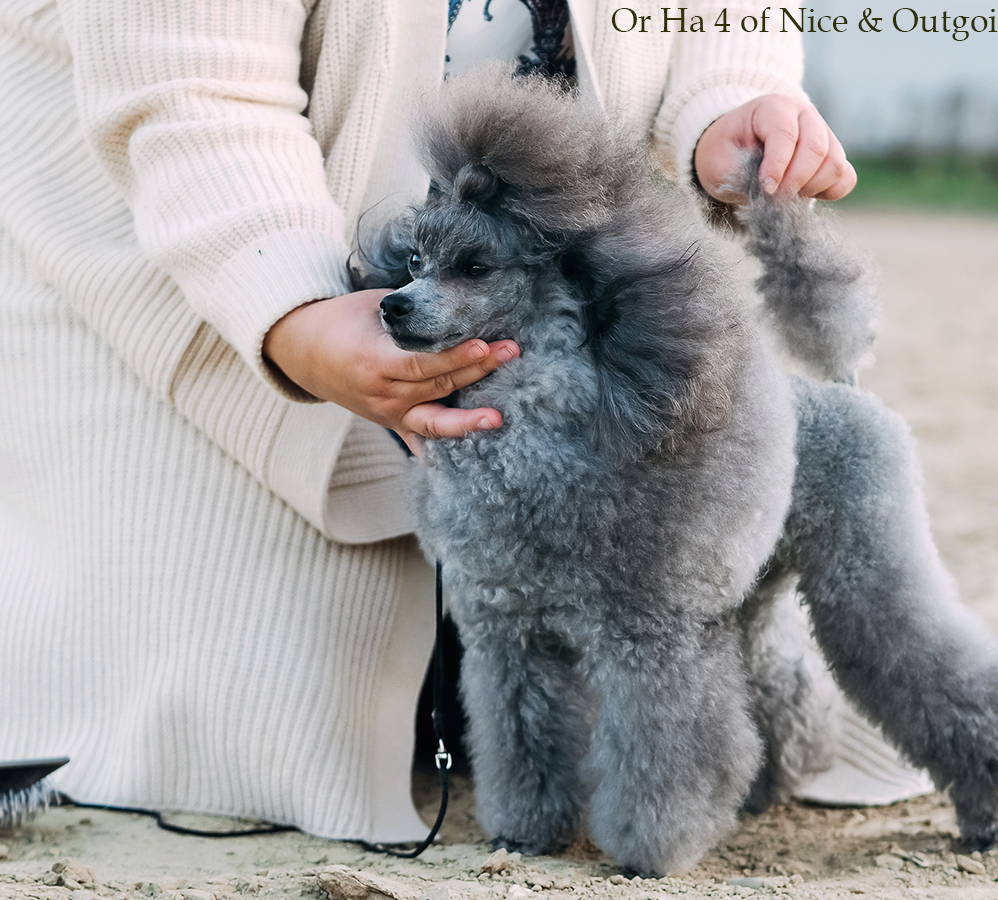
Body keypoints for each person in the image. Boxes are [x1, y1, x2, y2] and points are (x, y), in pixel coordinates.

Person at [0, 0, 865, 844]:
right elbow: (193, 82)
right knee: (290, 708)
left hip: (555, 364)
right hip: (200, 284)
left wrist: (727, 104)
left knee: (651, 627)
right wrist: (291, 309)